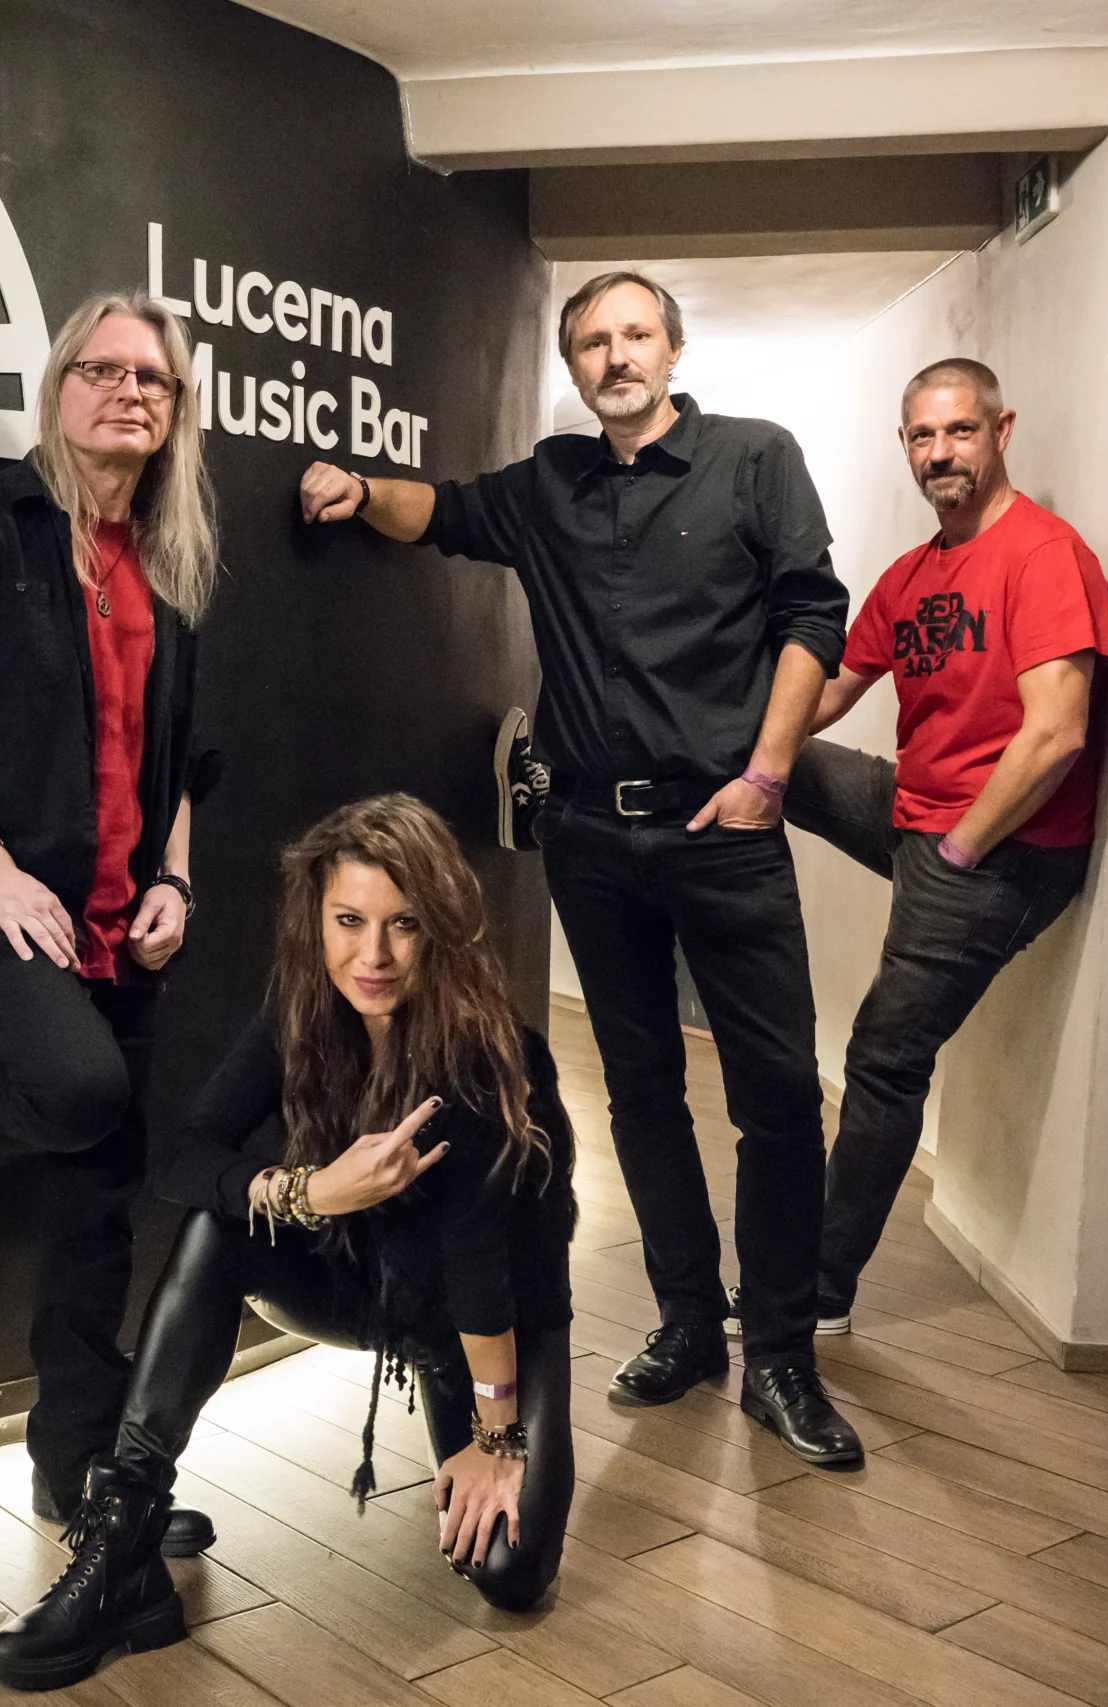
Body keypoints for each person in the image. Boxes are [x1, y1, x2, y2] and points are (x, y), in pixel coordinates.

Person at [295, 272, 866, 1465]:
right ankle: (686, 1323)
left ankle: (781, 1356)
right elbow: (442, 510)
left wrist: (767, 773)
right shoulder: (549, 482)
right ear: (574, 367)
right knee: (641, 1092)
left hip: (726, 831)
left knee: (774, 1098)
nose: (616, 356)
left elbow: (815, 617)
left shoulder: (755, 458)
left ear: (672, 348)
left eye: (635, 334)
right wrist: (356, 490)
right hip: (591, 838)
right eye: (593, 342)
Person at [0, 796, 578, 1691]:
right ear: (317, 919)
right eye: (349, 921)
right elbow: (184, 1158)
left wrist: (497, 1438)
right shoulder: (301, 1013)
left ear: (442, 928)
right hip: (365, 1279)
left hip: (497, 1319)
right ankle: (125, 1535)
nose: (372, 956)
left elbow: (481, 1263)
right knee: (221, 1223)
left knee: (511, 1572)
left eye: (404, 924)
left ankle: (466, 1427)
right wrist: (309, 1191)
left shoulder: (488, 1053)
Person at [0, 289, 222, 1547]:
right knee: (75, 1091)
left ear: (176, 413)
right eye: (102, 370)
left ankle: (79, 1472)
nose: (128, 392)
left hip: (125, 918)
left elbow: (186, 760)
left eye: (153, 379)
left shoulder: (170, 560)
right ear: (59, 387)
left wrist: (177, 881)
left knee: (97, 1203)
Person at [772, 358, 1108, 1332]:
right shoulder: (913, 576)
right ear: (905, 446)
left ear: (1001, 430)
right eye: (923, 436)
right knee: (770, 761)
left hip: (1000, 848)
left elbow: (1057, 733)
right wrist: (747, 744)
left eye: (959, 431)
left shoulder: (1044, 557)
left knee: (884, 1055)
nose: (940, 452)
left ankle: (817, 1297)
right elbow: (827, 695)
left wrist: (959, 850)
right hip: (917, 813)